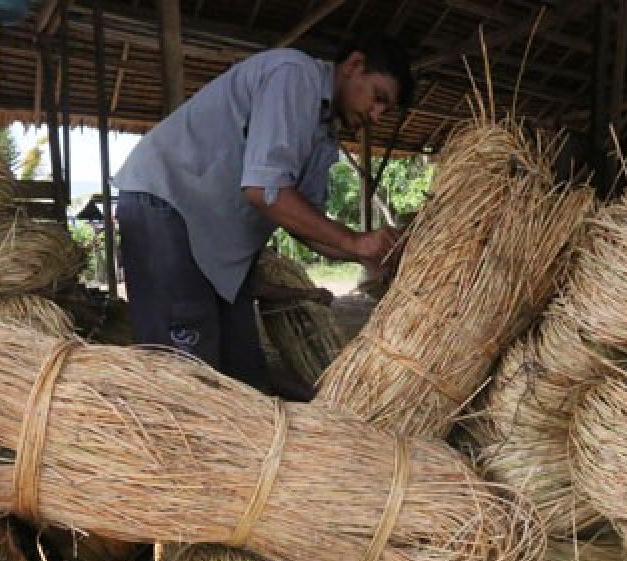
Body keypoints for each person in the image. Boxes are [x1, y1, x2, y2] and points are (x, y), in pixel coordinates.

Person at [113, 32, 414, 400]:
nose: (377, 115)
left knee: (244, 377)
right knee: (187, 381)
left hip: (218, 245)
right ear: (353, 66)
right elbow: (264, 190)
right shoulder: (294, 76)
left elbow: (307, 222)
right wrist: (356, 241)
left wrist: (365, 251)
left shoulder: (324, 135)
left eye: (386, 109)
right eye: (378, 97)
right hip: (167, 207)